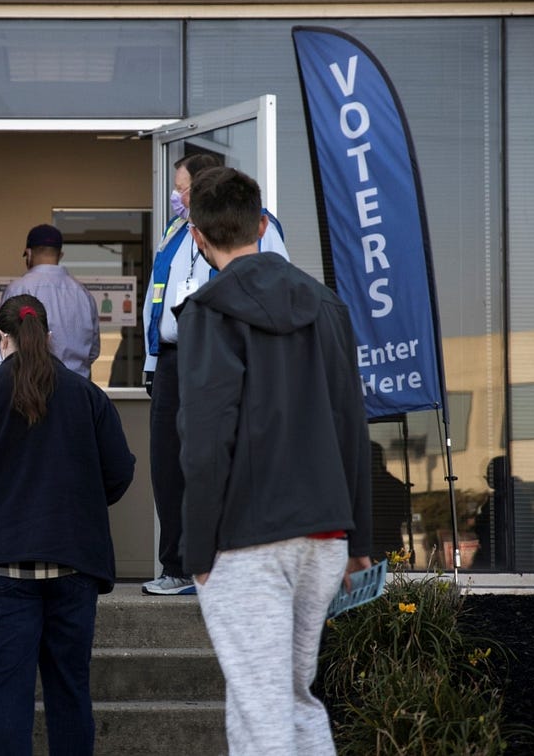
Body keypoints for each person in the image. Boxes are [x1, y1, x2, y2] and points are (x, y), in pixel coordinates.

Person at [176, 167, 371, 754]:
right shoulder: (328, 306)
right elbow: (351, 426)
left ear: (197, 237)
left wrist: (196, 548)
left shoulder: (207, 313)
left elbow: (206, 441)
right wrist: (357, 535)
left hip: (247, 538)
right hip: (325, 533)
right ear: (262, 224)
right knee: (293, 699)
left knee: (261, 711)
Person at [0, 294, 135, 756]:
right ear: (48, 336)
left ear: (2, 339)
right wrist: (83, 505)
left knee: (8, 695)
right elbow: (118, 474)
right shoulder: (87, 396)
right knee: (70, 693)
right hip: (72, 567)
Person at [141, 153, 289, 595]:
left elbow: (271, 286)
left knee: (216, 458)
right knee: (168, 466)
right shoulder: (173, 232)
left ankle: (222, 563)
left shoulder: (254, 225)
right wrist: (151, 362)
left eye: (181, 188)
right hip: (171, 360)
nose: (176, 196)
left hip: (220, 355)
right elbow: (156, 297)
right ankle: (178, 565)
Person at [1, 224, 100, 379]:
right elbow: (93, 352)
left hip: (29, 387)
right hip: (76, 387)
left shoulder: (17, 289)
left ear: (28, 253)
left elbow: (4, 346)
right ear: (60, 255)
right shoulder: (83, 293)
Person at [370, 440, 410, 562]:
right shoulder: (361, 485)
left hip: (389, 543)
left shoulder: (394, 486)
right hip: (372, 544)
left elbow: (403, 515)